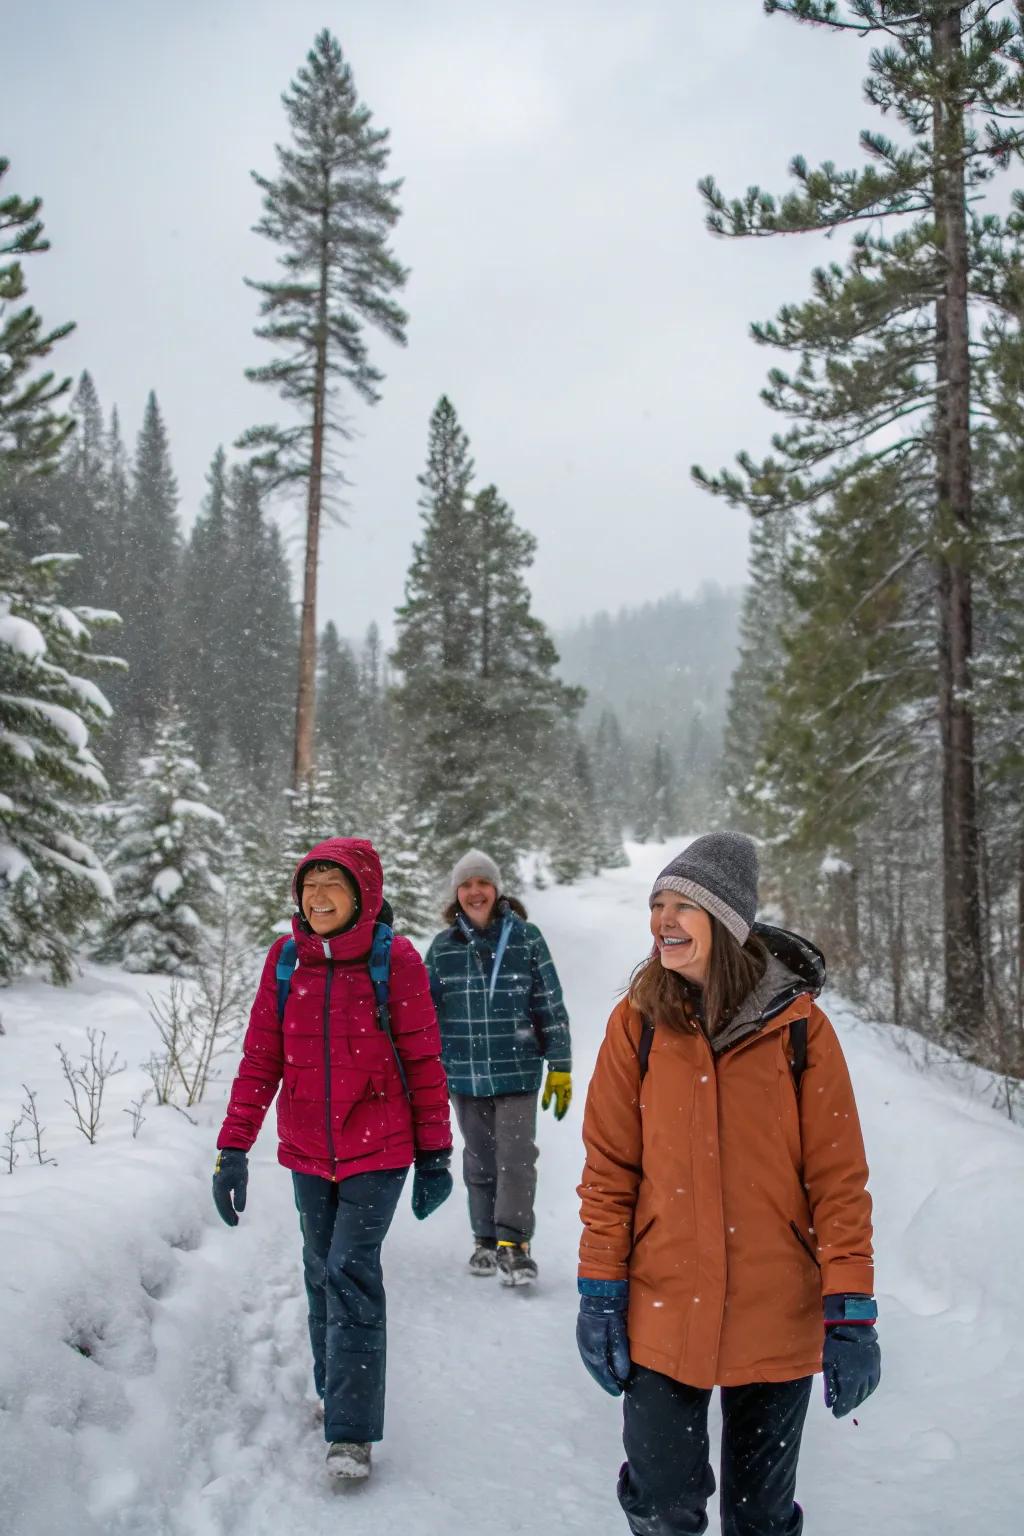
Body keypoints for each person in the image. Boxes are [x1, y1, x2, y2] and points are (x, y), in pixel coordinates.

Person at [576, 832, 879, 1536]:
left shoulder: (801, 1031)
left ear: (729, 921)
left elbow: (838, 1180)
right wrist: (600, 1285)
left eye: (684, 905)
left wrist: (852, 1303)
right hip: (662, 1301)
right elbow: (609, 1167)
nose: (663, 920)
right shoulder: (637, 1025)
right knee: (661, 1503)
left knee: (761, 1517)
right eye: (656, 904)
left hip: (776, 1304)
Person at [212, 836, 453, 1483]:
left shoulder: (394, 960)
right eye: (309, 885)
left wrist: (435, 1153)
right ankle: (334, 1389)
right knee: (319, 1269)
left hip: (380, 1147)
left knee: (350, 1268)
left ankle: (350, 1433)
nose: (317, 898)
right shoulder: (286, 961)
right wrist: (232, 1147)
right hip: (308, 1151)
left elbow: (425, 1060)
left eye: (332, 886)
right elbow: (261, 1058)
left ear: (362, 896)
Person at [425, 849, 572, 1286]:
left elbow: (550, 1005)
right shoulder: (442, 948)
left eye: (483, 883)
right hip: (464, 1073)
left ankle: (515, 1245)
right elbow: (424, 1014)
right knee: (479, 1160)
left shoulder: (526, 938)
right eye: (467, 884)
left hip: (518, 1071)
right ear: (457, 893)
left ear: (496, 889)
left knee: (516, 1159)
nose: (475, 891)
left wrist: (560, 1064)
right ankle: (484, 1241)